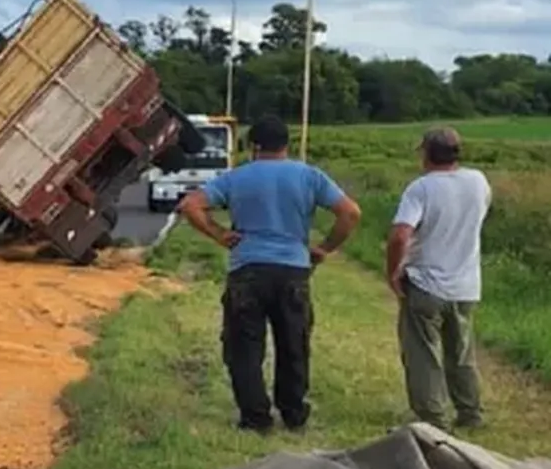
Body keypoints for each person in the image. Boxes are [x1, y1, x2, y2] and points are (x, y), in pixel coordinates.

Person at [178, 117, 362, 434]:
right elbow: (350, 212)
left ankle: (256, 417)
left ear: (254, 146)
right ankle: (293, 413)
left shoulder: (237, 177)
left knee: (244, 348)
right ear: (286, 145)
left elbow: (191, 205)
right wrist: (324, 248)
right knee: (293, 344)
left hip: (247, 269)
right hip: (293, 269)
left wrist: (219, 234)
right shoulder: (309, 176)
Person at [386, 127, 492, 431]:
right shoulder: (478, 181)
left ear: (427, 153)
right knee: (461, 352)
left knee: (422, 354)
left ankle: (433, 419)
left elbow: (400, 234)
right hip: (466, 285)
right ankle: (470, 413)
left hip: (426, 283)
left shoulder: (421, 188)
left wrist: (393, 270)